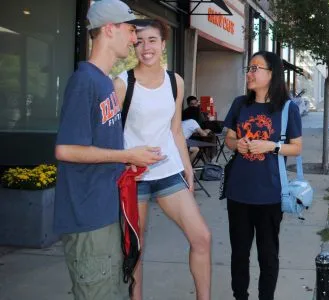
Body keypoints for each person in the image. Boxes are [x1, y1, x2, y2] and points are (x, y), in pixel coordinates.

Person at [53, 1, 164, 299]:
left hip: (106, 212)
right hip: (87, 218)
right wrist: (127, 156)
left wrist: (126, 163)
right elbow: (65, 150)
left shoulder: (104, 82)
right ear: (109, 29)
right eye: (130, 30)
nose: (134, 39)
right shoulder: (84, 81)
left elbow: (99, 147)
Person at [113, 19, 212, 300]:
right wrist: (123, 159)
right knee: (136, 248)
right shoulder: (122, 83)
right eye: (140, 41)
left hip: (169, 172)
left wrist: (188, 169)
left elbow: (176, 130)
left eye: (152, 40)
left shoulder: (175, 81)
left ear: (163, 44)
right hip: (135, 178)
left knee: (201, 237)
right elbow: (109, 134)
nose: (146, 47)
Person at [222, 51, 302, 300]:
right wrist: (238, 144)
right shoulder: (239, 104)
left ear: (272, 74)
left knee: (268, 254)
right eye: (249, 67)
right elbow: (228, 138)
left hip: (269, 193)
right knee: (239, 253)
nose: (250, 73)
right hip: (239, 191)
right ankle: (240, 296)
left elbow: (296, 147)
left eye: (256, 68)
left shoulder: (288, 108)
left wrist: (271, 146)